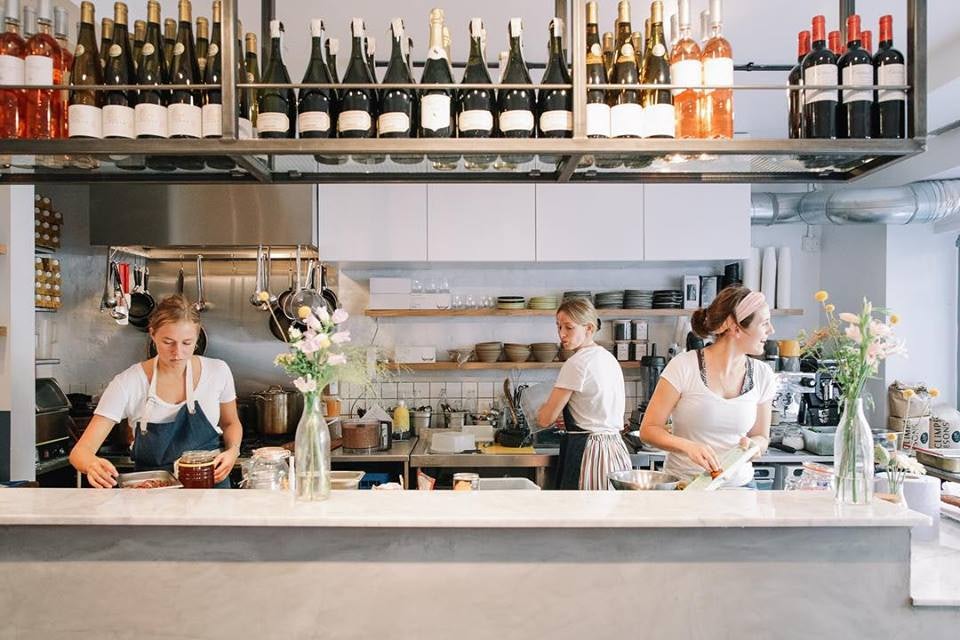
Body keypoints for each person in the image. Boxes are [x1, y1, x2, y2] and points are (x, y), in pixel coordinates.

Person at [69, 295, 242, 488]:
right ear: (152, 334)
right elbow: (80, 452)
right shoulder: (128, 383)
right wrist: (92, 464)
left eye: (187, 343)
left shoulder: (218, 371)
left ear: (197, 336)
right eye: (168, 342)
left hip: (210, 488)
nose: (178, 353)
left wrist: (233, 451)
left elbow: (230, 423)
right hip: (151, 493)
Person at [640, 286, 777, 488]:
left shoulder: (763, 374)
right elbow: (648, 430)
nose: (771, 330)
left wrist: (754, 446)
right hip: (685, 486)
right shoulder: (683, 366)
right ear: (735, 326)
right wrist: (687, 447)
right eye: (764, 323)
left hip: (740, 488)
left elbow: (762, 436)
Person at [537, 298, 631, 489]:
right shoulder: (608, 358)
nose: (561, 334)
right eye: (558, 327)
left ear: (588, 328)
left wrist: (541, 410)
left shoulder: (576, 363)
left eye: (569, 327)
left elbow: (545, 419)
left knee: (583, 515)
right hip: (616, 451)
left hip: (590, 453)